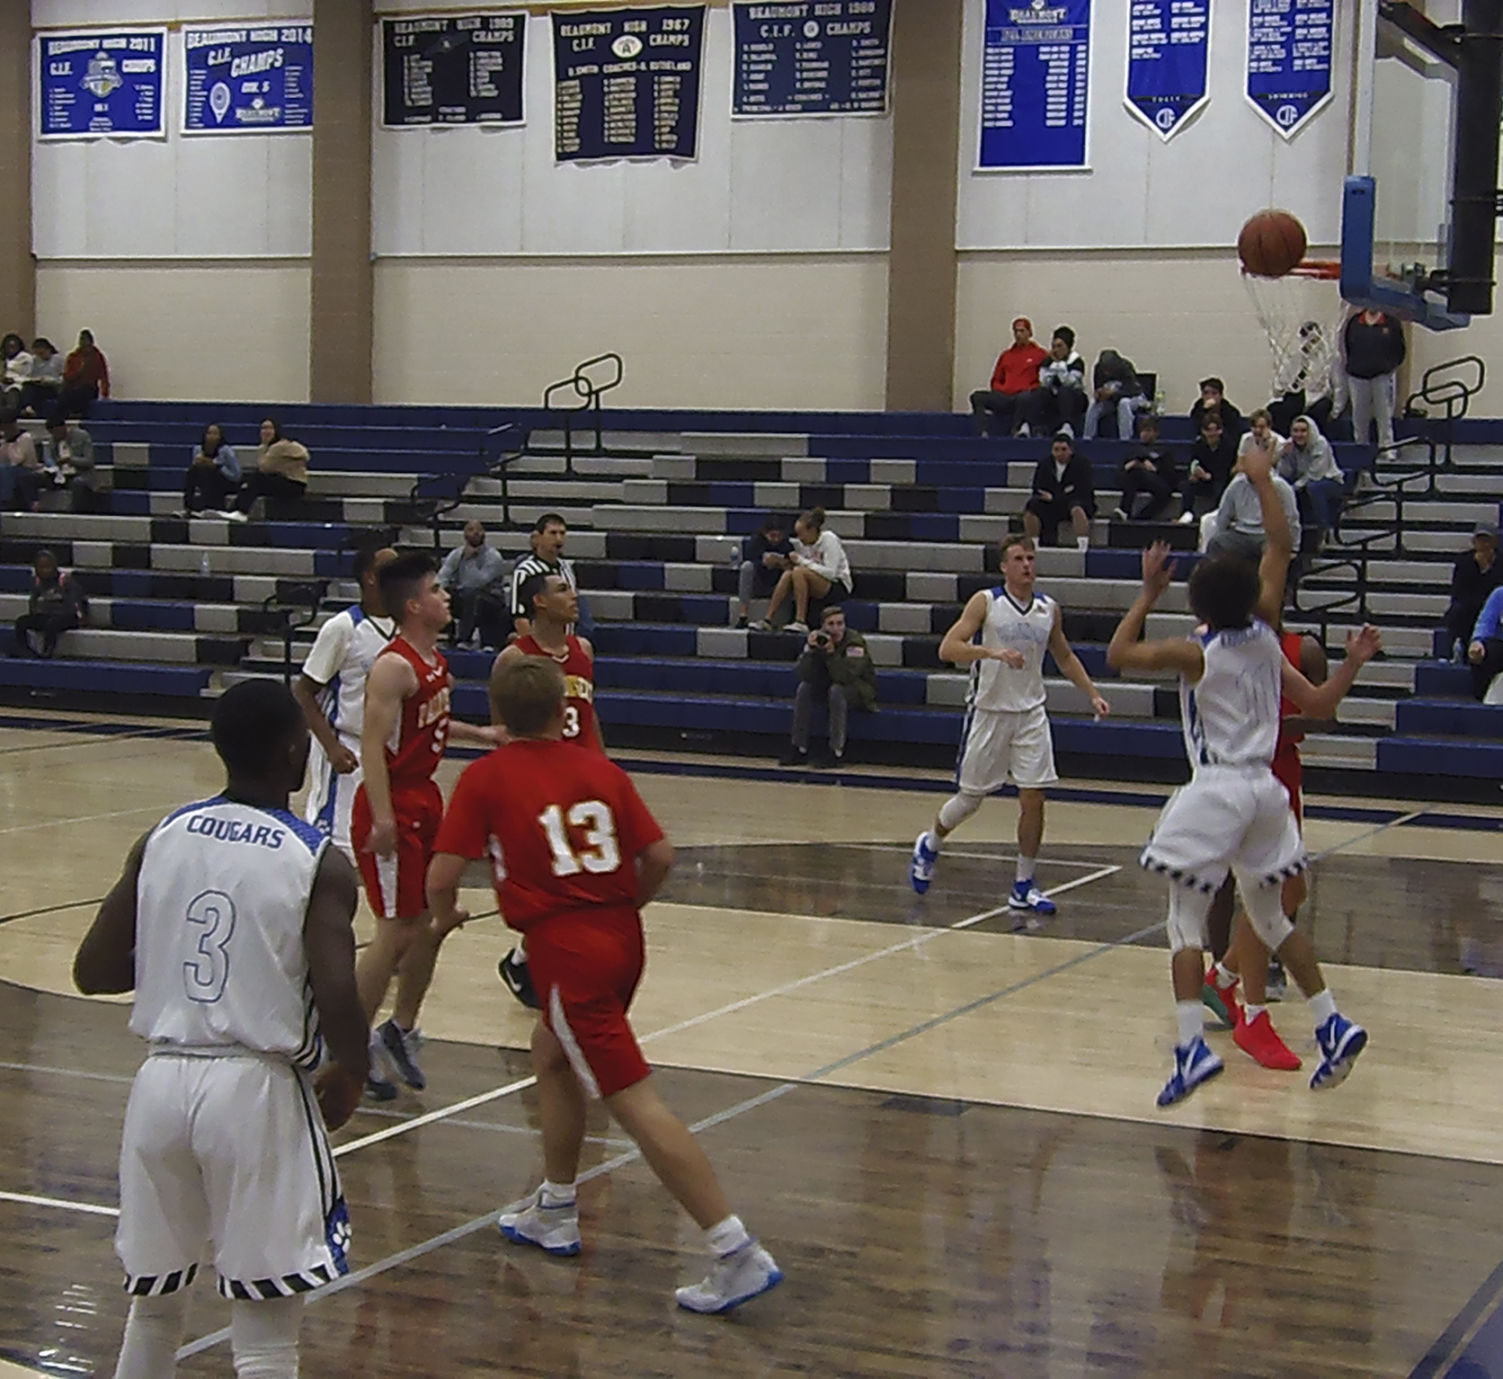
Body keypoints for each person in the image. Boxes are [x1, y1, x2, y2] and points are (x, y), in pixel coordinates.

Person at [425, 657, 783, 1315]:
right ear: (563, 710)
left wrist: (443, 918)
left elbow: (442, 875)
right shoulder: (601, 768)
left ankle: (734, 1249)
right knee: (549, 1051)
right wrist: (620, 908)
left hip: (567, 950)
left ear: (498, 718)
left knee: (633, 1098)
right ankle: (555, 1206)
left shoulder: (486, 776)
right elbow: (661, 857)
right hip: (623, 937)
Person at [71, 679, 368, 1379]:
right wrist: (352, 1068)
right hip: (253, 1088)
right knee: (266, 1337)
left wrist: (178, 962)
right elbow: (337, 989)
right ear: (294, 750)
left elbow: (94, 969)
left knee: (153, 1309)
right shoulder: (316, 858)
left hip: (160, 1083)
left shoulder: (163, 836)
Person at [1105, 448, 1381, 1107]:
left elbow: (1117, 654)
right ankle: (1330, 1021)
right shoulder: (1263, 636)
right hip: (1267, 792)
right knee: (1271, 918)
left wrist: (1145, 593)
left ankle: (1190, 1049)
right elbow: (1318, 703)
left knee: (1183, 923)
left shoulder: (1194, 652)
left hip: (1219, 787)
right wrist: (1260, 480)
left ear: (1197, 599)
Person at [352, 552, 498, 1100]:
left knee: (440, 916)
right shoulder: (392, 666)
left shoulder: (433, 659)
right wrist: (383, 816)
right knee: (395, 931)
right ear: (414, 605)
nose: (447, 597)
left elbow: (429, 721)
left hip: (424, 797)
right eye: (437, 590)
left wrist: (479, 734)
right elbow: (371, 744)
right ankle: (351, 1047)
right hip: (391, 801)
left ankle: (401, 1026)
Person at [910, 534, 1111, 913]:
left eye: (1031, 558)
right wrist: (991, 652)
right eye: (1019, 558)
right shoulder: (986, 602)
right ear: (1004, 566)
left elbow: (1064, 655)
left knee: (1034, 798)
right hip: (989, 712)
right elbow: (947, 648)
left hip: (1031, 714)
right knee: (969, 800)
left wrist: (1092, 693)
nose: (1027, 565)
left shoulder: (1049, 608)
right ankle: (930, 843)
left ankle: (1023, 884)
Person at [492, 569, 606, 1011]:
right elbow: (504, 728)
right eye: (562, 590)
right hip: (539, 783)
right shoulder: (513, 659)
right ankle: (529, 959)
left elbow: (588, 712)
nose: (574, 595)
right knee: (557, 884)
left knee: (583, 880)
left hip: (582, 776)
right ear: (538, 602)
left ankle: (526, 959)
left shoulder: (584, 649)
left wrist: (603, 765)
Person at [292, 543, 398, 860]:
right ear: (370, 578)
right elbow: (304, 691)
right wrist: (331, 747)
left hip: (389, 749)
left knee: (379, 849)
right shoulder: (342, 628)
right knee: (335, 850)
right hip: (348, 746)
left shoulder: (408, 627)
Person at [779, 604, 877, 769]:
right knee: (804, 688)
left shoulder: (855, 643)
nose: (836, 629)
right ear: (823, 626)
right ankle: (799, 747)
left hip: (858, 689)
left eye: (840, 623)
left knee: (837, 691)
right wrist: (810, 652)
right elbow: (803, 673)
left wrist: (831, 654)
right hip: (828, 684)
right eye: (831, 624)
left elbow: (846, 677)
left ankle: (836, 751)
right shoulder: (819, 640)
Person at [754, 506, 852, 635]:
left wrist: (802, 561)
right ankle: (768, 619)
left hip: (837, 585)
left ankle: (800, 621)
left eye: (801, 534)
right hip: (815, 581)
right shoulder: (803, 544)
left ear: (812, 530)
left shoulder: (829, 539)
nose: (799, 538)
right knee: (789, 573)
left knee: (799, 571)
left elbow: (830, 573)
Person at [1207, 459, 1301, 563]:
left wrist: (1294, 548)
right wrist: (1219, 534)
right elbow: (1223, 515)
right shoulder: (1236, 485)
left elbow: (1291, 517)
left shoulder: (1281, 486)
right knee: (1216, 543)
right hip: (1242, 533)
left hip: (1268, 535)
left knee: (1275, 548)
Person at [970, 317, 1048, 438]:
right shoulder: (1006, 355)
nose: (1018, 335)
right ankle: (982, 432)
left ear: (1030, 333)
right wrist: (1001, 389)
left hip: (1024, 397)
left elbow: (1044, 380)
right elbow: (996, 380)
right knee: (977, 397)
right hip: (1005, 396)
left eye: (1022, 331)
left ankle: (1015, 430)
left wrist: (1029, 388)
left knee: (1025, 398)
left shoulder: (1040, 354)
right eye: (1016, 331)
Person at [1342, 307, 1406, 451]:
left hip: (1382, 376)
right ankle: (1361, 448)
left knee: (1384, 415)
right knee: (1359, 416)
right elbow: (1347, 346)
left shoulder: (1391, 323)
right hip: (1357, 376)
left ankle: (1387, 448)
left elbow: (1400, 349)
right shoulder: (1355, 322)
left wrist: (1390, 366)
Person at [509, 513, 581, 640]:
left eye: (562, 533)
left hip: (566, 641)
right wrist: (538, 648)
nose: (558, 539)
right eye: (553, 533)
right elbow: (519, 616)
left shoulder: (567, 567)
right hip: (541, 645)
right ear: (538, 537)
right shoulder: (525, 571)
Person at [439, 519, 509, 649]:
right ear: (464, 535)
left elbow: (477, 582)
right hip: (464, 595)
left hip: (491, 598)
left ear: (484, 533)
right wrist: (439, 592)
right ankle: (443, 637)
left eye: (478, 529)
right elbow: (443, 576)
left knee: (470, 594)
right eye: (471, 529)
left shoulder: (493, 556)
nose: (475, 533)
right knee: (441, 596)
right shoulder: (456, 554)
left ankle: (465, 639)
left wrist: (469, 559)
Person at [1023, 432, 1096, 551]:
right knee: (1032, 506)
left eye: (1063, 449)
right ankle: (1034, 545)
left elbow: (1083, 490)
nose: (1060, 453)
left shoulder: (1083, 464)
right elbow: (1038, 488)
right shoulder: (1045, 464)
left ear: (1071, 450)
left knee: (1077, 508)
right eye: (1056, 449)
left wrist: (1055, 497)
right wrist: (1058, 496)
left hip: (1076, 502)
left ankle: (1083, 545)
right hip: (1052, 505)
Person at [1278, 414, 1344, 541]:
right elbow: (1286, 473)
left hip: (1329, 480)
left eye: (1303, 431)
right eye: (1295, 431)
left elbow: (1315, 474)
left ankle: (1324, 529)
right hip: (1303, 481)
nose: (1299, 434)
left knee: (1314, 488)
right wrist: (1284, 456)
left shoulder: (1320, 443)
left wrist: (1293, 488)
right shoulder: (1290, 444)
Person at [228, 417, 309, 521]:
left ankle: (241, 511)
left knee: (257, 479)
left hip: (294, 485)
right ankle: (235, 510)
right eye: (263, 428)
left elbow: (265, 466)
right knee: (251, 481)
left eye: (270, 428)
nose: (266, 431)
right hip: (279, 481)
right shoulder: (265, 448)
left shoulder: (281, 446)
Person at [9, 549, 86, 658]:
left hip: (67, 616)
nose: (44, 571)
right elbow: (33, 602)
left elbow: (76, 601)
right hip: (47, 615)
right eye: (41, 568)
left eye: (47, 567)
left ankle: (47, 650)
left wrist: (81, 617)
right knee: (21, 622)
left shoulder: (64, 580)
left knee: (52, 623)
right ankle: (25, 650)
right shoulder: (38, 583)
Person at [1016, 326, 1087, 439]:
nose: (1055, 350)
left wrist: (1059, 365)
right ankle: (1027, 426)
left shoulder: (1076, 362)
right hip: (1053, 398)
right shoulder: (1048, 361)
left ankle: (1067, 427)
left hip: (1073, 398)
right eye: (1053, 346)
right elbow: (1043, 381)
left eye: (1060, 346)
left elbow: (1070, 382)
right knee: (1038, 392)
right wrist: (1052, 365)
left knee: (1065, 391)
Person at [1445, 524, 1503, 661]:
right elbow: (1458, 591)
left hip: (1494, 604)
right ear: (1473, 542)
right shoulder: (1464, 561)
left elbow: (1498, 589)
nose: (1484, 545)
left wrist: (1486, 570)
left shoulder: (1501, 561)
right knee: (1458, 610)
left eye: (1487, 540)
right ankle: (1458, 648)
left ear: (1495, 542)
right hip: (1470, 602)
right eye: (1480, 540)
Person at [1115, 413, 1180, 522]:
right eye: (1143, 431)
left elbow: (1170, 476)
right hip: (1134, 479)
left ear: (1156, 433)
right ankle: (1124, 510)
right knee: (1135, 472)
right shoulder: (1132, 451)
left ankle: (1138, 516)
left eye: (1148, 430)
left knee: (1163, 493)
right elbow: (1121, 472)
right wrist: (1133, 465)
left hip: (1157, 482)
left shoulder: (1164, 451)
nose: (1144, 434)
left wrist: (1153, 469)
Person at [734, 514, 793, 628]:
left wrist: (781, 564)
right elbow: (748, 558)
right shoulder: (756, 543)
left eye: (779, 536)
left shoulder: (786, 545)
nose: (776, 539)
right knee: (747, 566)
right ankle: (743, 614)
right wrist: (762, 563)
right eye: (772, 536)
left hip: (778, 586)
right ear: (765, 533)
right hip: (758, 583)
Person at [1181, 414, 1238, 522]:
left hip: (1221, 479)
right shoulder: (1198, 445)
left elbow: (1226, 469)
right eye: (1209, 431)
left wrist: (1209, 476)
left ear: (1220, 431)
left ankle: (1218, 514)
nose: (1212, 434)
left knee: (1219, 487)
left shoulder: (1228, 446)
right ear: (1203, 431)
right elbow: (1193, 461)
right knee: (1188, 485)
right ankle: (1187, 513)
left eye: (1215, 430)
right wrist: (1193, 473)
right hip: (1202, 478)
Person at [1082, 348, 1146, 440]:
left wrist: (1115, 393)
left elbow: (1133, 389)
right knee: (1093, 404)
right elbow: (1098, 387)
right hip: (1111, 401)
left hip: (1132, 398)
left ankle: (1125, 439)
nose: (1107, 372)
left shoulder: (1126, 366)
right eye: (1105, 369)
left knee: (1123, 403)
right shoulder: (1098, 368)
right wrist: (1099, 394)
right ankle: (1087, 438)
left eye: (1110, 369)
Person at [40, 412, 97, 512]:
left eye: (57, 432)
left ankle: (75, 512)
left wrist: (70, 460)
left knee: (78, 483)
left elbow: (89, 461)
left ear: (63, 427)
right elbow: (49, 459)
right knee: (37, 477)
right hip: (60, 474)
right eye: (52, 433)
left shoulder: (82, 436)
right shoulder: (52, 442)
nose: (55, 436)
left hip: (80, 473)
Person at [183, 422, 241, 516]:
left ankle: (212, 507)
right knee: (193, 471)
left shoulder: (226, 451)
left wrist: (217, 467)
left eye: (215, 434)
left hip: (225, 481)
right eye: (209, 433)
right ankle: (188, 506)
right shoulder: (198, 450)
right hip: (205, 480)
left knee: (211, 472)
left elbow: (236, 475)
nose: (211, 436)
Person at [0, 412, 45, 513]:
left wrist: (10, 442)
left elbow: (17, 460)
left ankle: (5, 501)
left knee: (4, 470)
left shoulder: (25, 438)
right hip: (11, 470)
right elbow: (2, 459)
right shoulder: (4, 440)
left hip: (27, 470)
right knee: (3, 469)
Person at [1466, 584, 1503, 702]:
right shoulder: (1500, 594)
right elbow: (1485, 622)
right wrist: (1478, 641)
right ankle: (1481, 698)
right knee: (1482, 651)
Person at [60, 328, 110, 415]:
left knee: (82, 392)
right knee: (65, 393)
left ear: (91, 342)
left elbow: (104, 376)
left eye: (85, 340)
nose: (83, 343)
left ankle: (77, 413)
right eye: (81, 340)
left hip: (89, 388)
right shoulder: (73, 356)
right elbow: (67, 376)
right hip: (73, 386)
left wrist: (105, 394)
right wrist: (78, 372)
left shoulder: (97, 357)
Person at [1188, 377, 1245, 441]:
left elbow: (1233, 435)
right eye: (1206, 393)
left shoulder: (1231, 412)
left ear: (1221, 395)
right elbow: (1196, 427)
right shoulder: (1198, 409)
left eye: (1214, 393)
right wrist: (1204, 410)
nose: (1209, 396)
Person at [20, 337, 63, 416]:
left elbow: (63, 378)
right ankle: (28, 408)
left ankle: (32, 409)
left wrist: (51, 380)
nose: (40, 357)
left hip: (53, 387)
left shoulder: (58, 360)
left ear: (48, 349)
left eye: (42, 353)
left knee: (38, 392)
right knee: (28, 387)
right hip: (38, 384)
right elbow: (28, 375)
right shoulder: (34, 360)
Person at [1, 332, 32, 412]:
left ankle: (10, 413)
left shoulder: (25, 357)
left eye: (13, 347)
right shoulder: (3, 358)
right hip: (2, 384)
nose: (11, 349)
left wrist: (13, 380)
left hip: (18, 384)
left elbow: (27, 375)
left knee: (13, 391)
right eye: (8, 347)